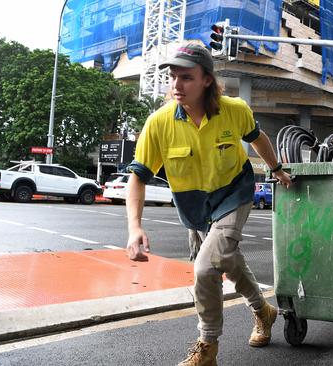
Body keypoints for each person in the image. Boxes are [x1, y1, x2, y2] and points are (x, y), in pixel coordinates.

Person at [125, 42, 292, 366]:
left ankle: (208, 346)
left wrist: (276, 169)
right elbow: (138, 177)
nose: (176, 84)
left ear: (206, 80)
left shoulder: (235, 110)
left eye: (186, 77)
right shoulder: (159, 124)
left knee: (205, 267)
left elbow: (258, 138)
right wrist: (134, 227)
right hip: (195, 210)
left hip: (234, 193)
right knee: (228, 261)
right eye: (173, 76)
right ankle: (263, 311)